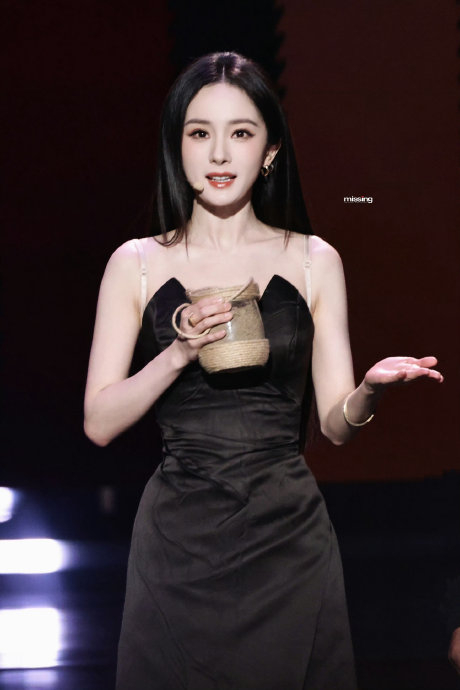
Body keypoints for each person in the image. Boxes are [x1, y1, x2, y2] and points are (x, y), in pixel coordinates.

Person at [84, 52, 443, 690]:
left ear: (270, 151)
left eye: (241, 133)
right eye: (200, 132)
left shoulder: (313, 260)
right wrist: (178, 353)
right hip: (178, 541)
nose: (220, 153)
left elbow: (335, 426)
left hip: (287, 539)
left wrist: (368, 391)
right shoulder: (134, 263)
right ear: (178, 145)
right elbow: (99, 422)